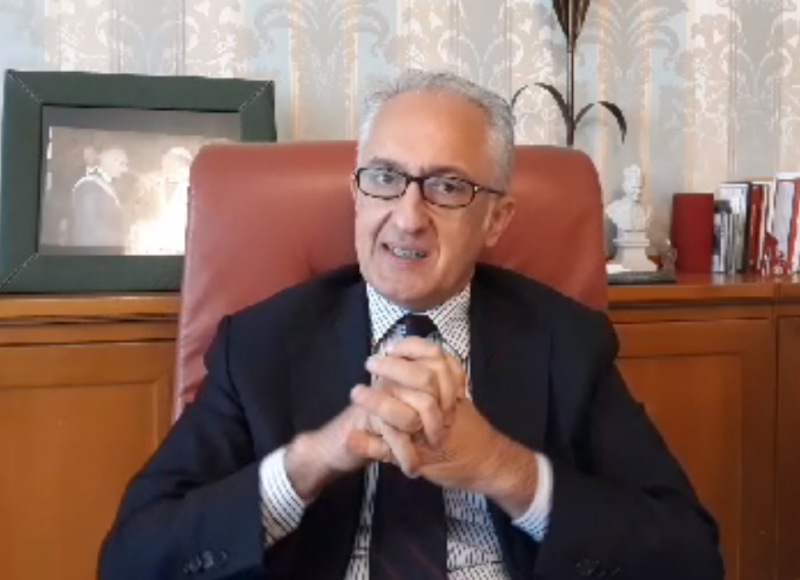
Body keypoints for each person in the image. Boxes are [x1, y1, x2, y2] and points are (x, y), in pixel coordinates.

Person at [98, 71, 723, 579]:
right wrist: (315, 458)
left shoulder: (567, 343)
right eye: (385, 178)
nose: (407, 218)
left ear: (496, 219)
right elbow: (132, 559)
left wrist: (504, 469)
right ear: (357, 192)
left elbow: (690, 558)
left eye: (447, 187)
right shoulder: (260, 345)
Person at [69, 145, 130, 253]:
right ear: (110, 161)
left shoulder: (105, 185)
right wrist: (126, 240)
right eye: (122, 164)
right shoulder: (88, 186)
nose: (125, 169)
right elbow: (89, 234)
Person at [605, 164, 652, 233]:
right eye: (634, 187)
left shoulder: (647, 210)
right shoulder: (613, 208)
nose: (638, 191)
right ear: (625, 187)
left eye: (640, 187)